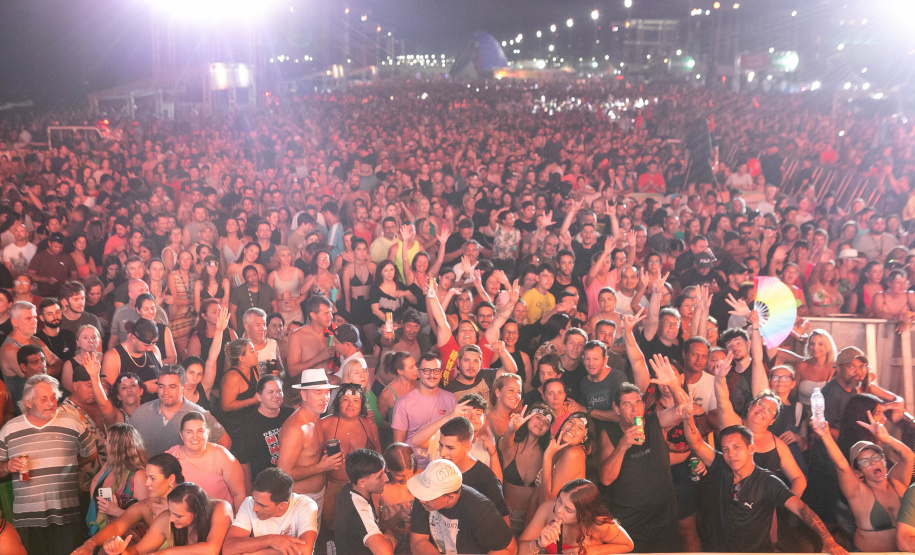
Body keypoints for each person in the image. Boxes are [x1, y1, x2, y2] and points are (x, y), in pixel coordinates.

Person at [681, 421, 847, 554]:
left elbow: (801, 508)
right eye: (725, 449)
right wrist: (687, 417)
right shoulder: (722, 466)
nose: (730, 454)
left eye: (736, 447)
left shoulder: (768, 481)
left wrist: (828, 539)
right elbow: (695, 443)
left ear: (751, 448)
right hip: (720, 550)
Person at [0, 374, 98, 554]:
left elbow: (91, 454)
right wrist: (7, 467)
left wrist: (70, 464)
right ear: (28, 402)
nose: (51, 403)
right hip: (28, 517)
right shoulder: (9, 429)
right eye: (43, 399)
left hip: (66, 513)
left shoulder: (73, 422)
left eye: (53, 397)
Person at [811, 416, 914, 551]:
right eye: (864, 462)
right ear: (859, 472)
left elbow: (909, 457)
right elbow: (842, 466)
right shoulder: (858, 492)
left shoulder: (896, 481)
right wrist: (826, 436)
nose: (872, 462)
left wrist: (887, 438)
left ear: (884, 460)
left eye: (876, 457)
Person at [72, 453, 185, 555]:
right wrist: (90, 544)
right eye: (146, 478)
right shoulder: (146, 506)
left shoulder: (190, 503)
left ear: (171, 479)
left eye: (152, 478)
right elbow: (118, 526)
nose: (147, 483)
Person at [407, 458, 517, 555]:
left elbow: (509, 548)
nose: (422, 500)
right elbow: (418, 541)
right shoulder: (423, 496)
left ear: (450, 498)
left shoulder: (481, 511)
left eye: (430, 496)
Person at [277, 367, 341, 528]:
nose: (325, 398)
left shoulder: (315, 416)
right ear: (304, 395)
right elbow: (283, 473)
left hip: (315, 496)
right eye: (318, 393)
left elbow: (307, 452)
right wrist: (322, 467)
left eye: (327, 393)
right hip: (297, 501)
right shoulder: (296, 428)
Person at [100, 482, 232, 554]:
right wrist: (120, 551)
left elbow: (211, 549)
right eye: (171, 512)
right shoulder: (165, 518)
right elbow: (136, 551)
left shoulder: (220, 508)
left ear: (197, 512)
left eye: (178, 515)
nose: (171, 519)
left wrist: (165, 553)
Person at [129, 364, 229, 455]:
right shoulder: (141, 413)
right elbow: (126, 447)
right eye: (161, 386)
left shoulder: (198, 413)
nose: (165, 392)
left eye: (172, 387)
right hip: (148, 474)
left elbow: (225, 442)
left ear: (184, 387)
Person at [320, 382, 381, 529]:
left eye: (355, 401)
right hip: (333, 487)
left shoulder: (367, 423)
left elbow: (378, 455)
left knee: (364, 530)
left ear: (361, 404)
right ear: (337, 403)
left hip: (363, 489)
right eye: (345, 400)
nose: (350, 405)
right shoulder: (325, 423)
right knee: (332, 531)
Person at [519, 479, 633, 555]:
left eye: (568, 510)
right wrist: (539, 544)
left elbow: (628, 545)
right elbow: (518, 550)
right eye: (559, 500)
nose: (558, 510)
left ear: (585, 513)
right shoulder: (548, 508)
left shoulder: (599, 524)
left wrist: (588, 551)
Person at [223, 467, 319, 555]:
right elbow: (228, 549)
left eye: (262, 505)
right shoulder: (249, 503)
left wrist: (256, 553)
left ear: (282, 505)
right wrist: (271, 540)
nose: (254, 508)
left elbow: (305, 551)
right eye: (254, 500)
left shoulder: (305, 505)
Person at [166, 411, 246, 510]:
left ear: (207, 433)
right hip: (182, 521)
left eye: (200, 431)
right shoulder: (171, 457)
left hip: (221, 520)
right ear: (181, 435)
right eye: (189, 432)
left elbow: (239, 494)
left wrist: (240, 523)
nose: (195, 437)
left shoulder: (222, 455)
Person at [230, 375, 295, 493]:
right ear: (259, 397)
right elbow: (244, 465)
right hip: (264, 487)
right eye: (270, 392)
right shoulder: (247, 425)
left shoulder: (291, 415)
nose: (276, 396)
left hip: (291, 481)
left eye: (279, 391)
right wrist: (250, 494)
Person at [391, 353, 457, 468]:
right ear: (418, 373)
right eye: (426, 370)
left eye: (436, 370)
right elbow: (398, 446)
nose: (432, 375)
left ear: (441, 373)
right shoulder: (403, 403)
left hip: (444, 466)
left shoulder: (451, 398)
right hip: (415, 467)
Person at [499, 404, 554, 535]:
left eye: (546, 423)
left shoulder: (547, 455)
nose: (541, 423)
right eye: (538, 417)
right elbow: (506, 441)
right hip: (505, 515)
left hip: (533, 518)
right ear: (528, 417)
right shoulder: (510, 446)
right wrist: (511, 429)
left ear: (548, 430)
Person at [85, 423, 149, 536]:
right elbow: (95, 482)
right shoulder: (109, 465)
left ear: (117, 447)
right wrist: (97, 507)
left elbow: (145, 519)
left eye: (108, 441)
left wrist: (115, 511)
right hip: (103, 531)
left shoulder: (138, 476)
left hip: (128, 538)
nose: (105, 443)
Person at [335, 448, 397, 555]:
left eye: (384, 472)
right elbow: (385, 552)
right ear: (362, 482)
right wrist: (388, 542)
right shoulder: (360, 507)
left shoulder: (351, 487)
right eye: (379, 476)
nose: (386, 478)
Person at [1, 300, 63, 401]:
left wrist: (42, 371)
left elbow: (59, 363)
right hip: (27, 403)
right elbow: (34, 378)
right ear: (15, 322)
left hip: (47, 395)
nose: (34, 321)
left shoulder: (36, 339)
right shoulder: (9, 349)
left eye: (35, 317)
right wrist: (48, 370)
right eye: (28, 318)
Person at [101, 318, 162, 401]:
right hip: (133, 410)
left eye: (153, 344)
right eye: (146, 345)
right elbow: (109, 394)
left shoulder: (154, 350)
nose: (149, 348)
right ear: (133, 338)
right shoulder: (113, 356)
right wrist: (143, 388)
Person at [286, 295, 336, 379]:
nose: (330, 316)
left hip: (331, 383)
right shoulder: (297, 336)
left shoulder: (334, 332)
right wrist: (320, 357)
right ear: (313, 315)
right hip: (306, 385)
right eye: (326, 313)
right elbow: (292, 371)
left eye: (330, 312)